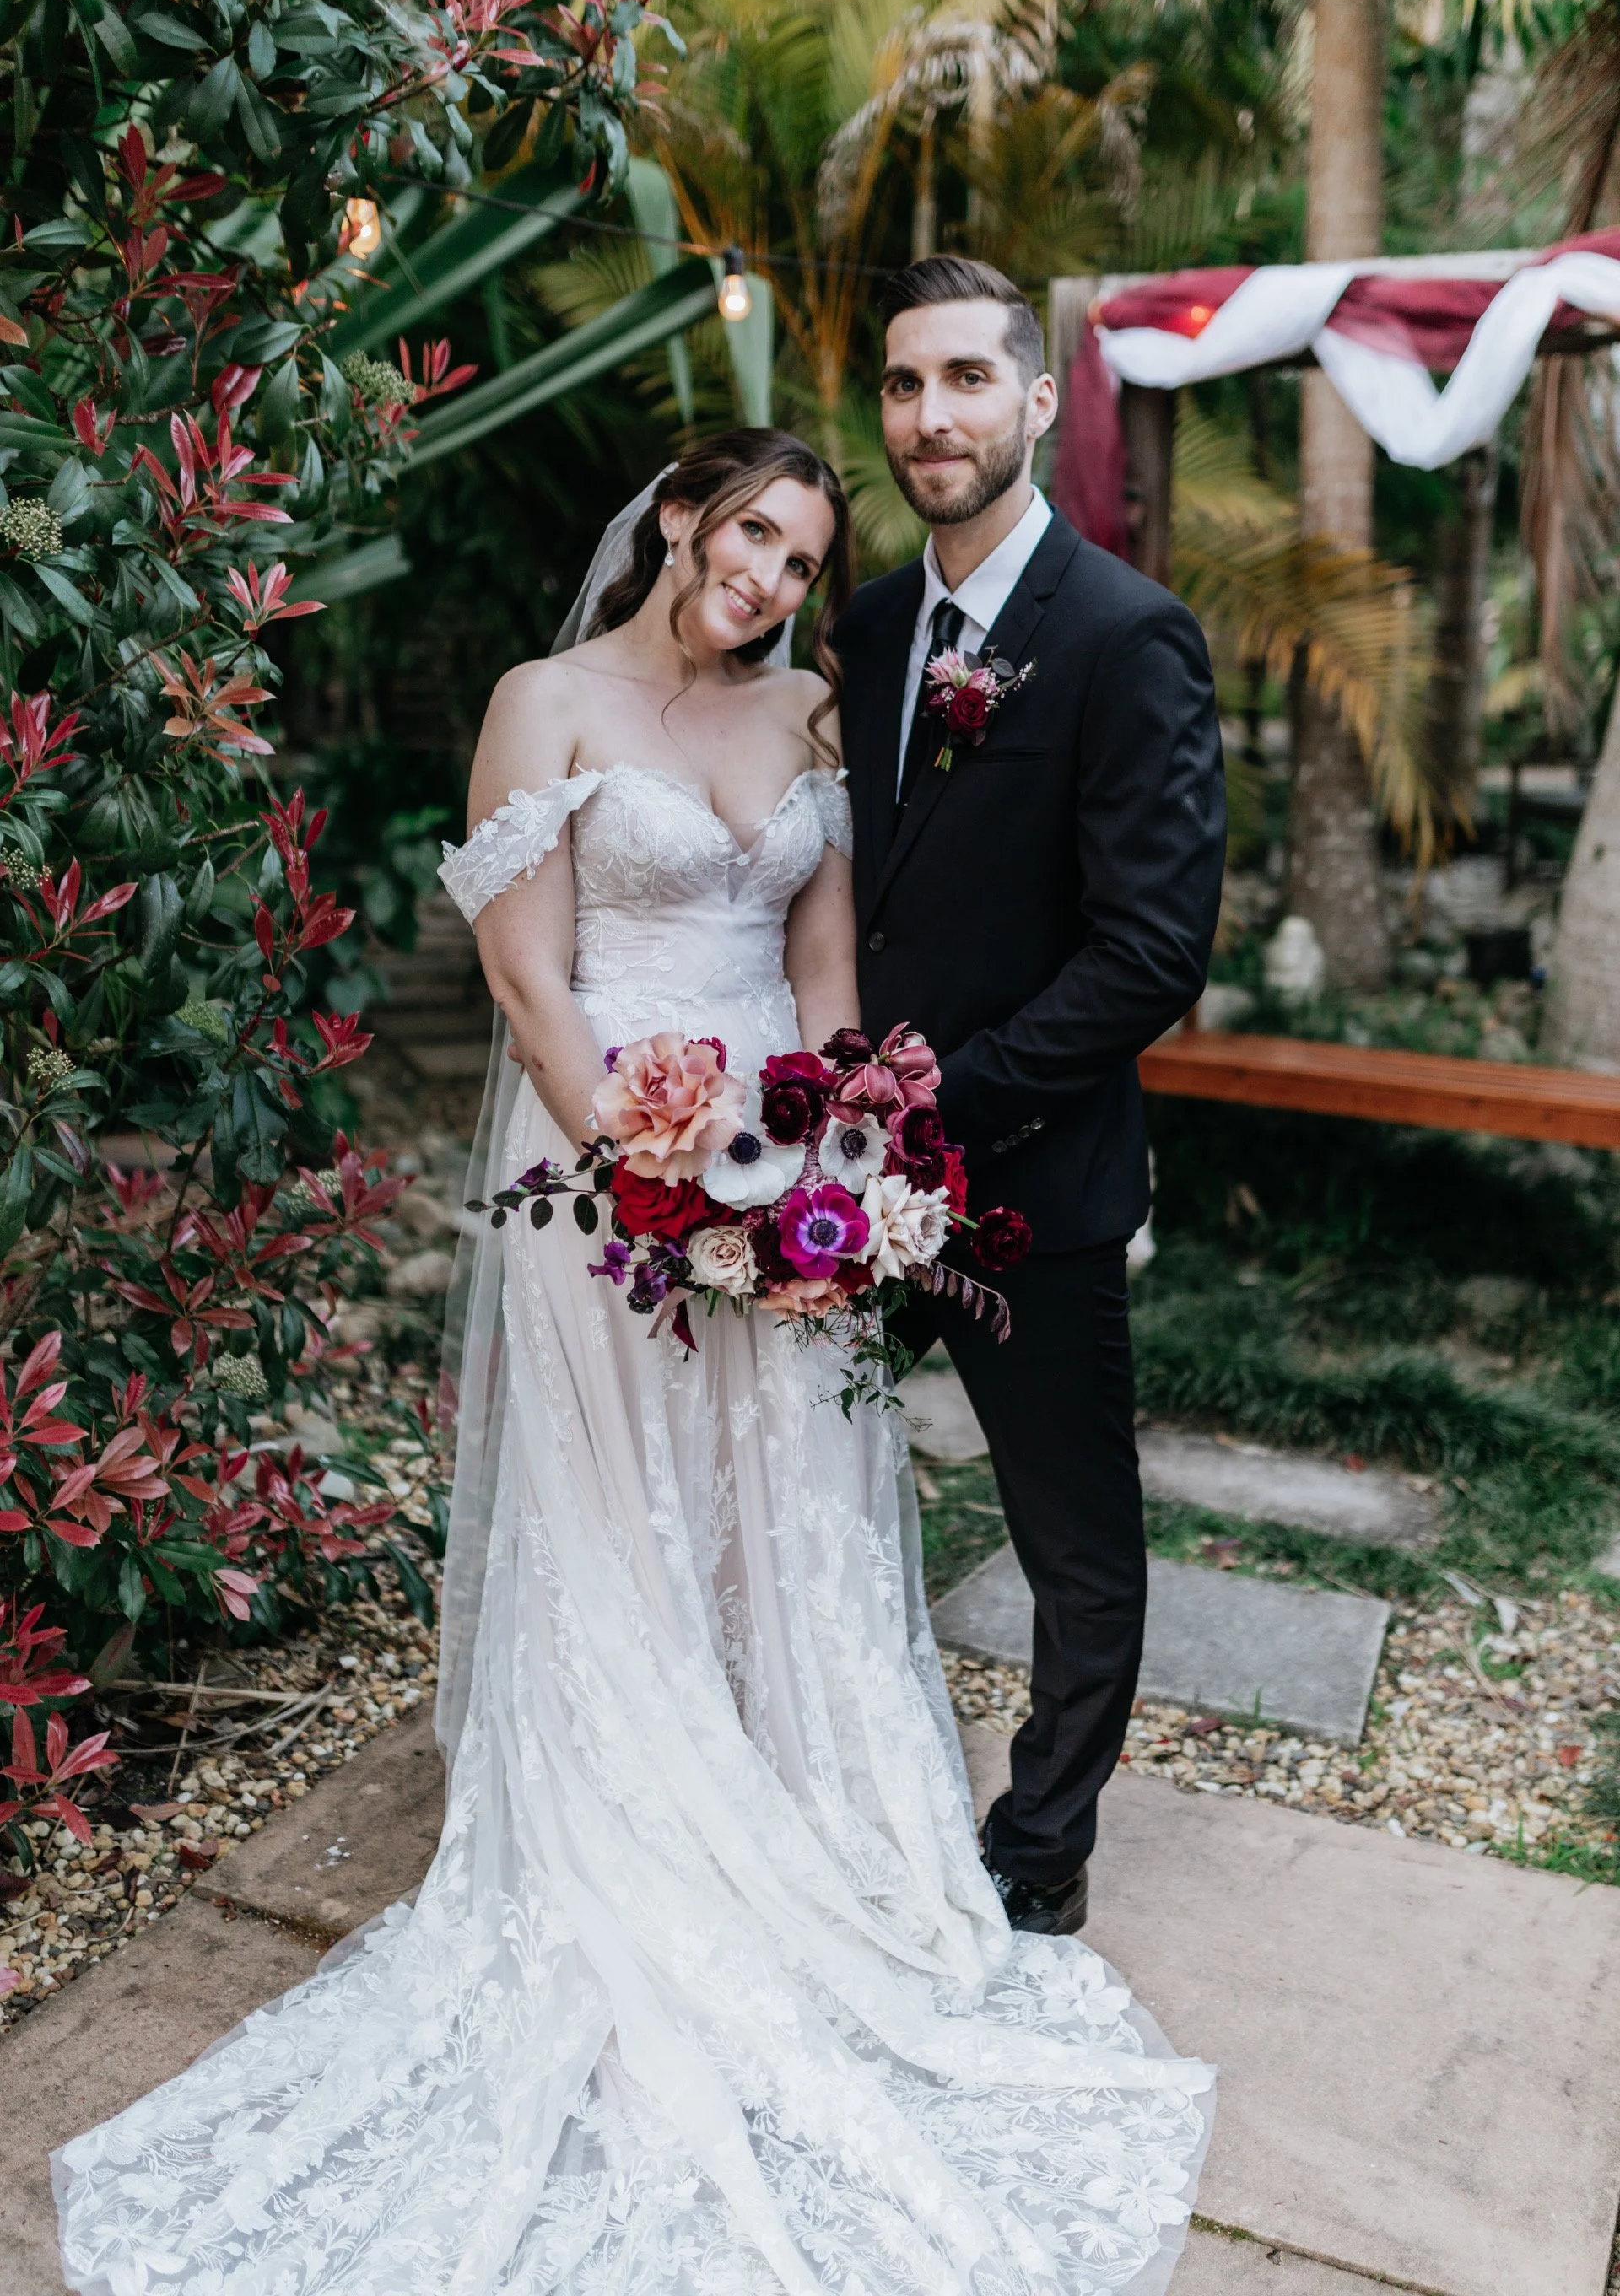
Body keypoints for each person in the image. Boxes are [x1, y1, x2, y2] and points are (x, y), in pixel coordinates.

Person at [54, 428, 1213, 2296]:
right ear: (684, 516)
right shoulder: (544, 699)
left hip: (776, 1157)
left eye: (799, 555)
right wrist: (665, 1179)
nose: (766, 577)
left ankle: (796, 1828)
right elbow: (531, 982)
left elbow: (826, 966)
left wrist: (834, 1161)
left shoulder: (811, 718)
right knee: (626, 1518)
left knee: (774, 1514)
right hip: (609, 1175)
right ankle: (631, 1844)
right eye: (750, 533)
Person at [838, 258, 1227, 1933]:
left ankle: (1038, 1850)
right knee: (797, 1485)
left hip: (1028, 1187)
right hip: (839, 1186)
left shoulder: (1130, 638)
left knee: (1073, 1546)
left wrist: (947, 1108)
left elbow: (1152, 952)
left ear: (1037, 398)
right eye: (907, 386)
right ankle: (825, 1772)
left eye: (968, 382)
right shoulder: (861, 629)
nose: (935, 416)